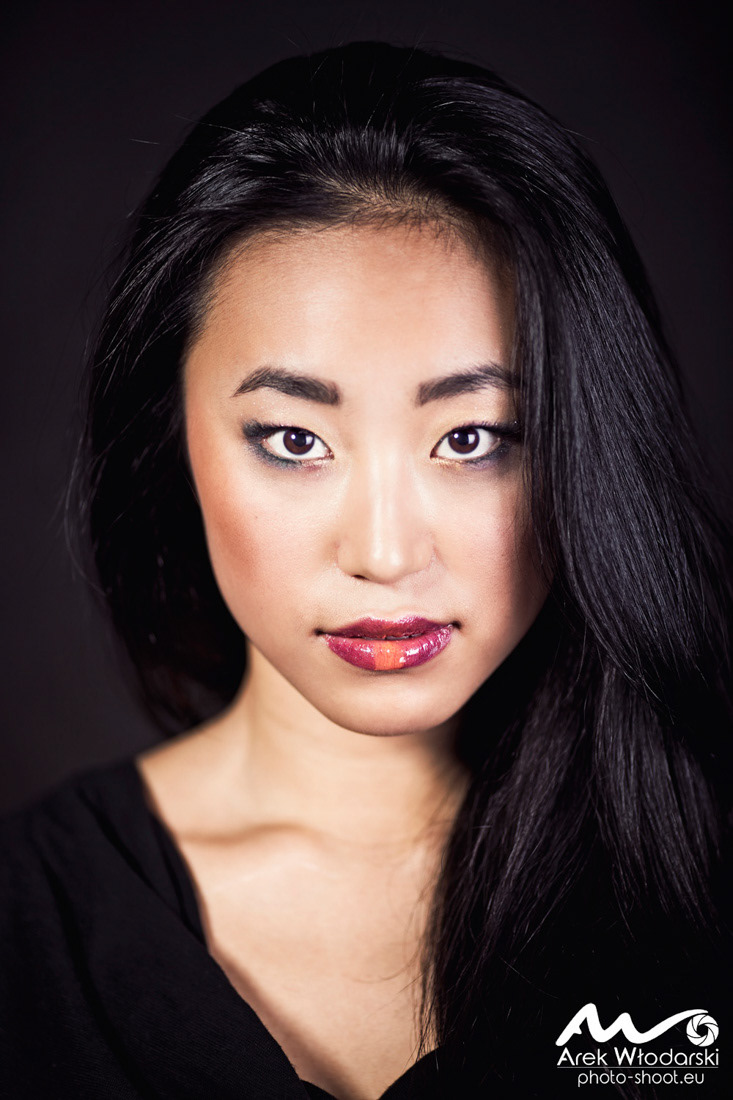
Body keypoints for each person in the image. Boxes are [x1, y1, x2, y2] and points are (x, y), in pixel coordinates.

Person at [1, 40, 731, 1100]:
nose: (384, 554)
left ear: (587, 442)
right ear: (171, 435)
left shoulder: (699, 883)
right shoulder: (25, 923)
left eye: (472, 438)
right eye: (294, 440)